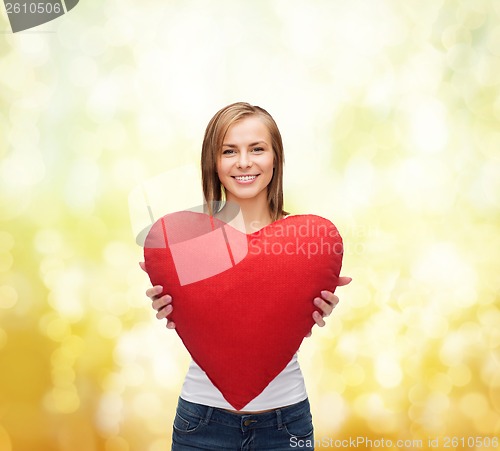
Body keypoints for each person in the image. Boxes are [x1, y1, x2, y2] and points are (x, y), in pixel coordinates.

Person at [141, 102, 351, 450]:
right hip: (201, 423)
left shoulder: (306, 244)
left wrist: (311, 303)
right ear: (214, 162)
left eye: (257, 149)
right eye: (229, 151)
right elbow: (209, 315)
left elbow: (265, 319)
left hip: (286, 425)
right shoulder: (188, 243)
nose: (243, 162)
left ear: (275, 158)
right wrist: (170, 305)